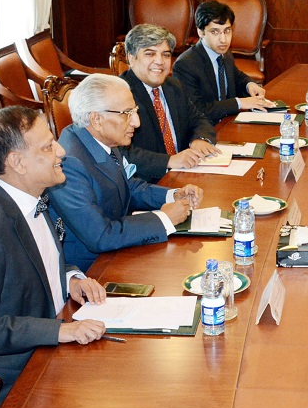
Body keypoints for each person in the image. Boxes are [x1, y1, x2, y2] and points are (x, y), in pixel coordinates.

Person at [0, 107, 106, 408]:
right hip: (8, 378)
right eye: (48, 146)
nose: (61, 151)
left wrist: (71, 278)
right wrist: (59, 331)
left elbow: (37, 262)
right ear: (17, 163)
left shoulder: (30, 197)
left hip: (48, 348)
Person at [48, 74, 203, 272]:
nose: (136, 122)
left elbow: (126, 185)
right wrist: (164, 218)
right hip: (95, 271)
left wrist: (172, 195)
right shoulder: (69, 163)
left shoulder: (102, 138)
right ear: (96, 119)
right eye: (127, 113)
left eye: (135, 111)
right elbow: (100, 236)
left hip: (120, 250)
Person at [120, 23, 218, 182]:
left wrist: (200, 139)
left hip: (185, 174)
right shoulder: (120, 95)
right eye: (150, 54)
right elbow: (120, 153)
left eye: (166, 54)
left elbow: (200, 119)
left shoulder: (174, 86)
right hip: (145, 184)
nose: (160, 61)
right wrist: (169, 161)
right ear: (131, 58)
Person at [173, 1, 275, 124]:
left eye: (227, 31)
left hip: (230, 121)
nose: (223, 39)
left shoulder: (224, 53)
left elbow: (236, 76)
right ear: (201, 32)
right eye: (215, 32)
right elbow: (196, 110)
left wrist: (250, 85)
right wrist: (240, 102)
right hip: (206, 129)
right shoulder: (185, 65)